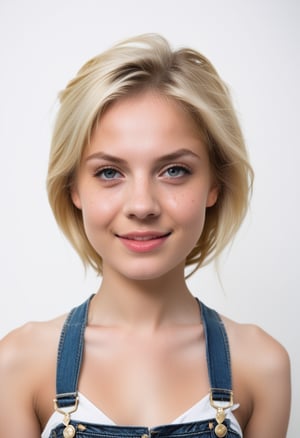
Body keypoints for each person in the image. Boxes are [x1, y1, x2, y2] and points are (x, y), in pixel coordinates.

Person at [0, 33, 291, 438]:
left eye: (174, 170)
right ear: (74, 189)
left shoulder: (262, 365)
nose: (141, 205)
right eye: (109, 172)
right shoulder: (18, 363)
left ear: (215, 185)